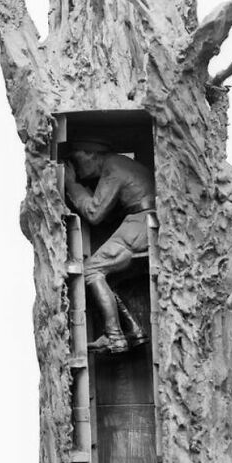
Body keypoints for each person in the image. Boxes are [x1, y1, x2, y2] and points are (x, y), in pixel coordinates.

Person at [64, 139, 156, 354]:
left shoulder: (113, 166)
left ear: (93, 154)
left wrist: (72, 185)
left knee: (92, 270)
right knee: (108, 278)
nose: (75, 168)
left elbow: (95, 214)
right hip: (145, 222)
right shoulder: (121, 164)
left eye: (77, 160)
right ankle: (133, 330)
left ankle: (114, 337)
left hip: (141, 223)